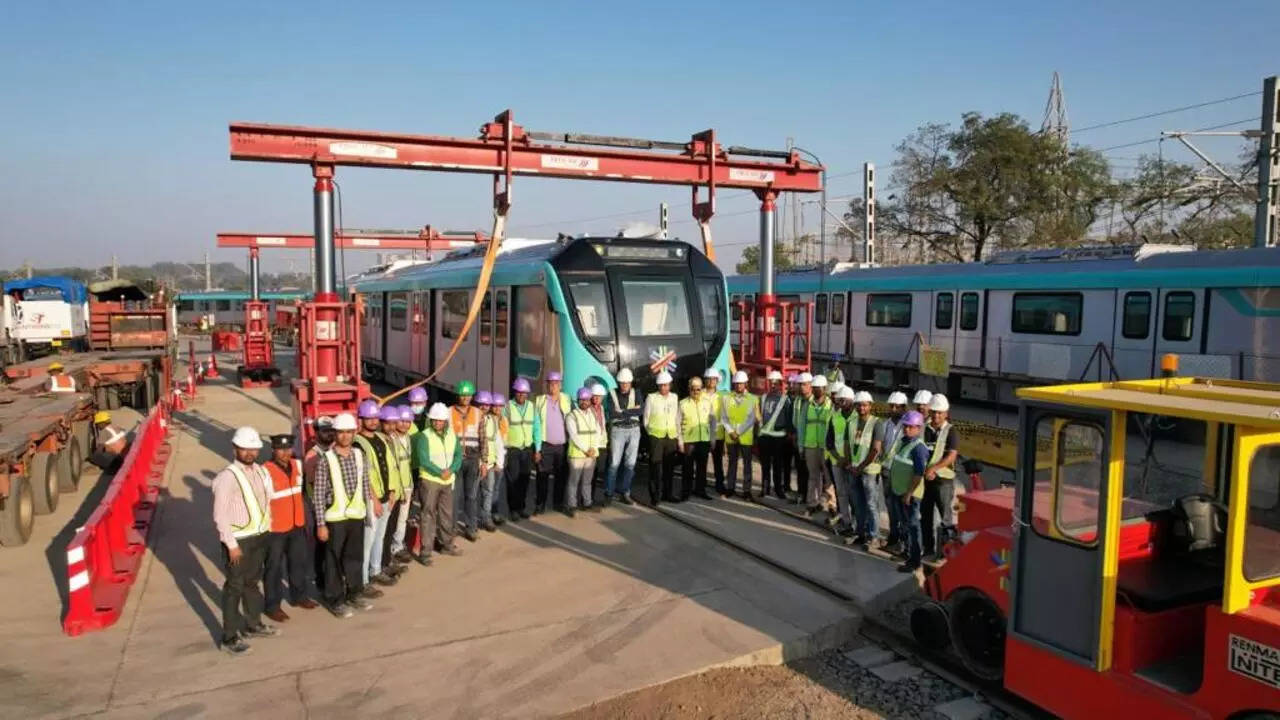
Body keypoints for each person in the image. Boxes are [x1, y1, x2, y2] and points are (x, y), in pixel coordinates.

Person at [211, 426, 279, 655]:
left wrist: (267, 528)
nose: (249, 453)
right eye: (245, 449)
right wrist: (231, 545)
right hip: (239, 542)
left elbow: (265, 502)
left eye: (253, 449)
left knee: (252, 583)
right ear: (235, 449)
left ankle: (253, 624)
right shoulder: (227, 477)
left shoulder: (260, 472)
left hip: (258, 537)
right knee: (234, 587)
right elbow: (220, 515)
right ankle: (229, 637)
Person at [313, 412, 377, 618]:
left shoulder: (359, 455)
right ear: (335, 434)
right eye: (341, 432)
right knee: (332, 560)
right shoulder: (326, 460)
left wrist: (372, 503)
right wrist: (320, 524)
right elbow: (319, 494)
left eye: (349, 432)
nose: (345, 436)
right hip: (335, 519)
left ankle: (354, 593)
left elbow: (365, 482)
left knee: (354, 558)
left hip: (356, 516)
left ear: (354, 432)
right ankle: (335, 599)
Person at [262, 434, 316, 623]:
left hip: (297, 524)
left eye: (288, 449)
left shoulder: (298, 465)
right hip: (275, 528)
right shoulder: (265, 471)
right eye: (281, 449)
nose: (285, 453)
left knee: (298, 563)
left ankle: (299, 596)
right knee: (273, 568)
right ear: (273, 450)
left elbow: (302, 492)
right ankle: (272, 606)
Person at [353, 401, 396, 593]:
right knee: (367, 541)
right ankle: (362, 580)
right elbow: (362, 474)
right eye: (369, 418)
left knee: (380, 536)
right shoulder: (357, 443)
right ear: (361, 420)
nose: (373, 421)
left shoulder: (380, 438)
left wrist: (393, 491)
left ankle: (375, 570)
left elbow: (390, 465)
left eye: (375, 418)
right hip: (373, 499)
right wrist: (375, 500)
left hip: (387, 495)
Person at [412, 403, 463, 565]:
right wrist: (440, 472)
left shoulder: (452, 435)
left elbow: (458, 456)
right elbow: (424, 460)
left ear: (445, 421)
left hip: (447, 480)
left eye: (440, 421)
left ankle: (446, 544)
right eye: (434, 420)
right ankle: (425, 552)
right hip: (430, 481)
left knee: (446, 514)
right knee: (428, 515)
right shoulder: (424, 436)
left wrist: (452, 470)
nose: (437, 423)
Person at [889, 411, 930, 573]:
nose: (906, 429)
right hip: (899, 491)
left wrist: (909, 493)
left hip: (910, 496)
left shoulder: (919, 448)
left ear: (918, 428)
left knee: (913, 526)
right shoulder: (903, 442)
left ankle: (915, 561)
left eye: (910, 427)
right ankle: (907, 552)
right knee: (905, 525)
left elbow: (919, 474)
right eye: (905, 426)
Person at [922, 393, 959, 561]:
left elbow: (951, 456)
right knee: (926, 515)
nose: (936, 415)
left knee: (945, 518)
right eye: (934, 412)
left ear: (946, 413)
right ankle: (928, 549)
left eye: (939, 412)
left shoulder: (951, 431)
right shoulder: (924, 428)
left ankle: (945, 552)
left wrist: (934, 469)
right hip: (925, 480)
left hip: (943, 481)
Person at [847, 391, 885, 549]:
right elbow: (847, 444)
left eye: (864, 405)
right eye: (859, 405)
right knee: (857, 503)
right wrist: (850, 463)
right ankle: (860, 533)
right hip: (855, 469)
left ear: (870, 406)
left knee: (871, 504)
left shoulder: (877, 423)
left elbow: (875, 449)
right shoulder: (852, 422)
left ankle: (874, 536)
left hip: (869, 471)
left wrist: (860, 467)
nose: (861, 408)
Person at [303, 416, 335, 599]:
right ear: (316, 433)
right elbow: (316, 485)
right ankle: (321, 580)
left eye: (331, 430)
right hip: (319, 508)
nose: (329, 434)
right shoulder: (312, 457)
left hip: (334, 506)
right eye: (324, 431)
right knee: (321, 547)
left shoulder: (332, 451)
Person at [450, 381, 484, 540]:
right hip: (455, 460)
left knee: (471, 495)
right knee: (454, 496)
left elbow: (483, 439)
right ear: (458, 395)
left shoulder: (478, 413)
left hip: (473, 459)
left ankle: (471, 527)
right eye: (463, 395)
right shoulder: (449, 412)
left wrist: (484, 462)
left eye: (468, 395)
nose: (465, 398)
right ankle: (452, 527)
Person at [534, 372, 571, 514]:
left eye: (556, 383)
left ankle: (558, 503)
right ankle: (540, 504)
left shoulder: (566, 400)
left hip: (562, 445)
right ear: (546, 385)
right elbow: (536, 426)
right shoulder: (540, 400)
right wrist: (537, 448)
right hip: (545, 444)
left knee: (561, 476)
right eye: (550, 383)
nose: (553, 386)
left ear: (560, 385)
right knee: (542, 476)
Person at [604, 368, 642, 505]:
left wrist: (622, 411)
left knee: (630, 464)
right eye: (622, 383)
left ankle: (625, 492)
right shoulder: (611, 394)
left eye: (627, 383)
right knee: (614, 464)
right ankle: (609, 493)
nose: (624, 385)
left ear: (631, 383)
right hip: (618, 431)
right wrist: (630, 412)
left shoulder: (636, 393)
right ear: (618, 382)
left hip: (634, 430)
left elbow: (640, 410)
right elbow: (612, 414)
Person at [795, 373, 831, 517]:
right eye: (814, 388)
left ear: (825, 389)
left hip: (826, 448)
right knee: (813, 476)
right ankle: (812, 503)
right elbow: (801, 427)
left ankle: (831, 504)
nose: (816, 391)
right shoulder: (807, 406)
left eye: (819, 388)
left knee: (829, 478)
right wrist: (801, 446)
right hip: (810, 446)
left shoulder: (831, 405)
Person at [504, 378, 539, 521]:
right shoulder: (507, 407)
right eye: (519, 393)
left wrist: (538, 449)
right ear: (515, 392)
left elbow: (537, 428)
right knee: (512, 481)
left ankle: (521, 507)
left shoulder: (532, 407)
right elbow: (503, 429)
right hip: (513, 450)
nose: (521, 395)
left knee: (524, 480)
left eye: (524, 393)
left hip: (527, 449)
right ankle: (513, 509)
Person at [643, 371, 679, 505]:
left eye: (666, 385)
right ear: (658, 386)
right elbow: (646, 419)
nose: (664, 388)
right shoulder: (651, 398)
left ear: (670, 385)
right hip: (656, 438)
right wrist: (651, 434)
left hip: (671, 437)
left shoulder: (674, 397)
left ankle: (667, 494)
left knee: (669, 468)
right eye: (661, 385)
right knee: (655, 468)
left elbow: (677, 416)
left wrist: (677, 435)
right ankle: (655, 495)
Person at [880, 392, 909, 555]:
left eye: (897, 407)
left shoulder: (908, 427)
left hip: (901, 473)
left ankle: (904, 540)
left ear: (904, 408)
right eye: (891, 406)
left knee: (902, 508)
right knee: (890, 506)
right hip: (887, 471)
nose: (893, 409)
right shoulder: (885, 425)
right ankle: (893, 535)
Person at [722, 370, 758, 499]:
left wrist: (738, 432)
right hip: (731, 437)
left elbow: (751, 419)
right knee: (732, 463)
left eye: (741, 384)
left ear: (746, 384)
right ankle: (730, 488)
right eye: (736, 384)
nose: (738, 386)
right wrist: (731, 432)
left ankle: (746, 490)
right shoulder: (726, 398)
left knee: (747, 465)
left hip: (745, 437)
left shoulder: (753, 399)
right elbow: (724, 417)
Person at [756, 370, 792, 500]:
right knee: (765, 465)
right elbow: (758, 417)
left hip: (779, 437)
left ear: (780, 384)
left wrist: (788, 434)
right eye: (771, 383)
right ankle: (764, 488)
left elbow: (788, 419)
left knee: (778, 465)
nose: (773, 385)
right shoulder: (763, 398)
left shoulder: (785, 400)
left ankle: (778, 489)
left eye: (775, 383)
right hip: (764, 437)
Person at [388, 406, 418, 563]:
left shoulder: (407, 438)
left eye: (408, 422)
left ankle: (398, 546)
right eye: (402, 421)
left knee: (402, 519)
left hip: (407, 485)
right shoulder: (391, 439)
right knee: (392, 519)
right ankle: (390, 549)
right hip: (396, 488)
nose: (405, 425)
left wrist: (410, 487)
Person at [565, 387, 600, 516]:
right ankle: (572, 505)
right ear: (578, 400)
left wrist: (594, 448)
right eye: (582, 400)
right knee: (574, 481)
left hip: (590, 455)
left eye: (587, 400)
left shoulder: (593, 415)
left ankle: (587, 502)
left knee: (587, 481)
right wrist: (586, 450)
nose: (584, 402)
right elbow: (574, 435)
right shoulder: (571, 416)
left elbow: (597, 432)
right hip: (577, 455)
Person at [677, 376, 714, 500]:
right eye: (693, 389)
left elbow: (712, 421)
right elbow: (677, 424)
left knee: (702, 468)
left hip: (703, 440)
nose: (696, 392)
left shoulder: (707, 403)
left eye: (698, 389)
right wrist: (680, 442)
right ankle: (685, 492)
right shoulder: (682, 404)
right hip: (689, 441)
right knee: (687, 468)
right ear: (689, 389)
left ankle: (700, 490)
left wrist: (712, 438)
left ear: (701, 389)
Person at [826, 386, 856, 536]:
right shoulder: (835, 417)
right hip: (838, 463)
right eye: (839, 401)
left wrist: (849, 461)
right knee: (842, 493)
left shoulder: (857, 418)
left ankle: (857, 523)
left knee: (854, 494)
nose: (841, 403)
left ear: (851, 401)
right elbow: (829, 443)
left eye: (843, 401)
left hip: (853, 464)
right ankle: (846, 522)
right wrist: (839, 459)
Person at [472, 391, 499, 531]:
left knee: (488, 491)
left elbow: (496, 441)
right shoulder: (471, 420)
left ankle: (485, 518)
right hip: (474, 463)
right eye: (481, 404)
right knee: (473, 493)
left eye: (487, 405)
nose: (484, 407)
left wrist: (497, 461)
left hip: (489, 463)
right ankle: (472, 520)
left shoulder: (492, 420)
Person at [484, 393, 508, 528]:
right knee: (489, 489)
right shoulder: (489, 420)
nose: (498, 408)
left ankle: (494, 513)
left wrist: (502, 459)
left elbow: (503, 440)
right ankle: (487, 516)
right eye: (495, 406)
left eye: (500, 406)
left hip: (502, 456)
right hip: (491, 460)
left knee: (496, 489)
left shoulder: (504, 420)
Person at [703, 368, 727, 495]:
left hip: (718, 434)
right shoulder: (700, 394)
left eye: (714, 379)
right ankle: (701, 484)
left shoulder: (723, 396)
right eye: (709, 379)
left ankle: (719, 484)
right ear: (705, 380)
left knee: (718, 461)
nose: (711, 381)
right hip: (702, 433)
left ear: (717, 380)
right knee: (702, 460)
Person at [788, 373, 811, 505]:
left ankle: (811, 497)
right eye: (800, 385)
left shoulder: (814, 401)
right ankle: (801, 494)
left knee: (811, 472)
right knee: (800, 469)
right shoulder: (797, 400)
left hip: (811, 442)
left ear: (810, 386)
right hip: (799, 440)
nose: (801, 387)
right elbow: (794, 419)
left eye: (804, 385)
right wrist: (793, 434)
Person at [589, 383, 608, 488]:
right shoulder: (588, 408)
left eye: (598, 397)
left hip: (601, 442)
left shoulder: (601, 408)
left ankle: (591, 495)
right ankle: (587, 497)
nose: (596, 398)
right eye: (594, 396)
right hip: (592, 443)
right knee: (591, 470)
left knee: (597, 469)